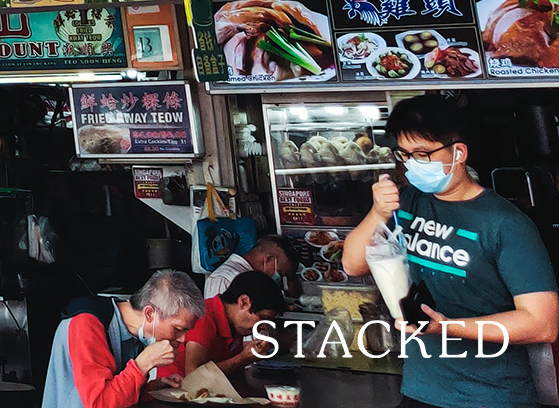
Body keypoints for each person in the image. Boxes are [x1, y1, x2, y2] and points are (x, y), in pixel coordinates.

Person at [342, 93, 559, 408]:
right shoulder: (408, 202)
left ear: (459, 152)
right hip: (420, 390)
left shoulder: (506, 224)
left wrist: (446, 326)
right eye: (404, 154)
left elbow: (543, 323)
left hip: (491, 396)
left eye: (422, 153)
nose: (411, 164)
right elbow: (352, 264)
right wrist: (377, 213)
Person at [42, 270, 201, 408]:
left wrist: (154, 387)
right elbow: (99, 404)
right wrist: (143, 364)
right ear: (149, 314)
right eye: (178, 329)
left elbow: (120, 396)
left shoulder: (134, 334)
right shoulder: (87, 324)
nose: (183, 339)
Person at [174, 271, 284, 378]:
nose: (264, 326)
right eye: (263, 318)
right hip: (177, 392)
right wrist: (243, 358)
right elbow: (194, 375)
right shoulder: (205, 317)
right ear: (243, 302)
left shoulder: (236, 323)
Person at [201, 236, 296, 300]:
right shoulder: (224, 279)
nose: (276, 277)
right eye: (279, 273)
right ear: (269, 259)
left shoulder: (251, 278)